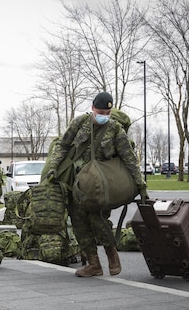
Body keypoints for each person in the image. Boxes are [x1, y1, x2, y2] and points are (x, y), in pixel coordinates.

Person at [45, 92, 147, 277]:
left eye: (107, 113)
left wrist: (141, 185)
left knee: (98, 219)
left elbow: (129, 158)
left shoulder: (115, 129)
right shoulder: (79, 123)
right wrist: (53, 167)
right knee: (78, 222)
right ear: (92, 108)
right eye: (100, 112)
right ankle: (94, 264)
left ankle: (112, 256)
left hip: (100, 185)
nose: (103, 116)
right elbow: (63, 145)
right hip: (78, 184)